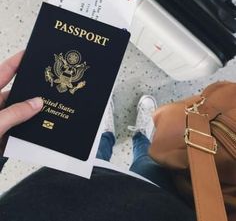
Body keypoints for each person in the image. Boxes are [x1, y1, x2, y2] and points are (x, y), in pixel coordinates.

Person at [0, 52, 196, 221]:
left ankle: (105, 134)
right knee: (146, 161)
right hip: (154, 201)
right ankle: (140, 138)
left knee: (94, 154)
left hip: (59, 189)